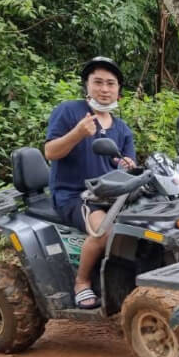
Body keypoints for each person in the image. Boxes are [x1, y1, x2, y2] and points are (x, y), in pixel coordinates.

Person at [44, 56, 137, 309]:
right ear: (86, 85)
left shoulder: (122, 128)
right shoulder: (69, 111)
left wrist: (127, 165)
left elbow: (126, 164)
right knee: (103, 230)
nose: (105, 89)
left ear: (118, 91)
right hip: (75, 195)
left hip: (112, 195)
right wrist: (77, 133)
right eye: (98, 82)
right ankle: (82, 282)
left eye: (111, 84)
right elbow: (50, 152)